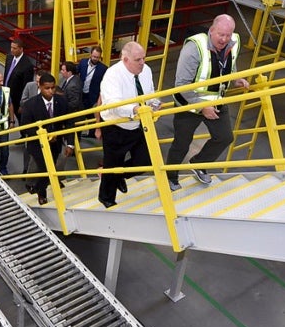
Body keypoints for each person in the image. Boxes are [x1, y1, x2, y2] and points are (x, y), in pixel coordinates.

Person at [165, 14, 249, 190]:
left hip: (216, 100)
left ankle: (199, 163)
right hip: (189, 103)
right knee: (182, 143)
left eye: (228, 35)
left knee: (225, 137)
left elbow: (229, 63)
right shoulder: (193, 49)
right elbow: (181, 85)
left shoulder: (233, 42)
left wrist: (236, 78)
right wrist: (202, 106)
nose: (224, 39)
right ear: (211, 30)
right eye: (220, 34)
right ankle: (170, 176)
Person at [97, 41, 158, 208]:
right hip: (115, 126)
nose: (142, 63)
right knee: (112, 164)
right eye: (138, 59)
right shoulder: (112, 75)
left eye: (144, 58)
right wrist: (135, 108)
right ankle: (106, 198)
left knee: (145, 161)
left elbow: (150, 92)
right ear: (125, 60)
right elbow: (113, 104)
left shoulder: (146, 71)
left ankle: (118, 177)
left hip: (138, 124)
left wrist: (154, 103)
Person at [19, 72, 71, 204]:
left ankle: (37, 187)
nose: (51, 91)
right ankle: (41, 194)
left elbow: (70, 122)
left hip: (56, 144)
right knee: (45, 168)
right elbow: (25, 127)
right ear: (40, 87)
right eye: (47, 88)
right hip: (37, 145)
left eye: (53, 88)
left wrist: (70, 144)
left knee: (50, 167)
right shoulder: (30, 105)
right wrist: (44, 136)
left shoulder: (62, 102)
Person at [4, 38, 35, 125]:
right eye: (11, 47)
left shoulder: (27, 65)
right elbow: (7, 74)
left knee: (22, 119)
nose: (12, 50)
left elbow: (26, 86)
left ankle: (24, 135)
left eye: (14, 48)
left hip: (17, 99)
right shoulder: (9, 58)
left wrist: (22, 104)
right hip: (6, 94)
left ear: (21, 49)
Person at [78, 46, 107, 137]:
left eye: (97, 57)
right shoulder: (82, 62)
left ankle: (91, 133)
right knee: (80, 113)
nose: (95, 59)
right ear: (90, 54)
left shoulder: (103, 69)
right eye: (94, 56)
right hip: (81, 93)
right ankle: (78, 131)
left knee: (91, 115)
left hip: (93, 95)